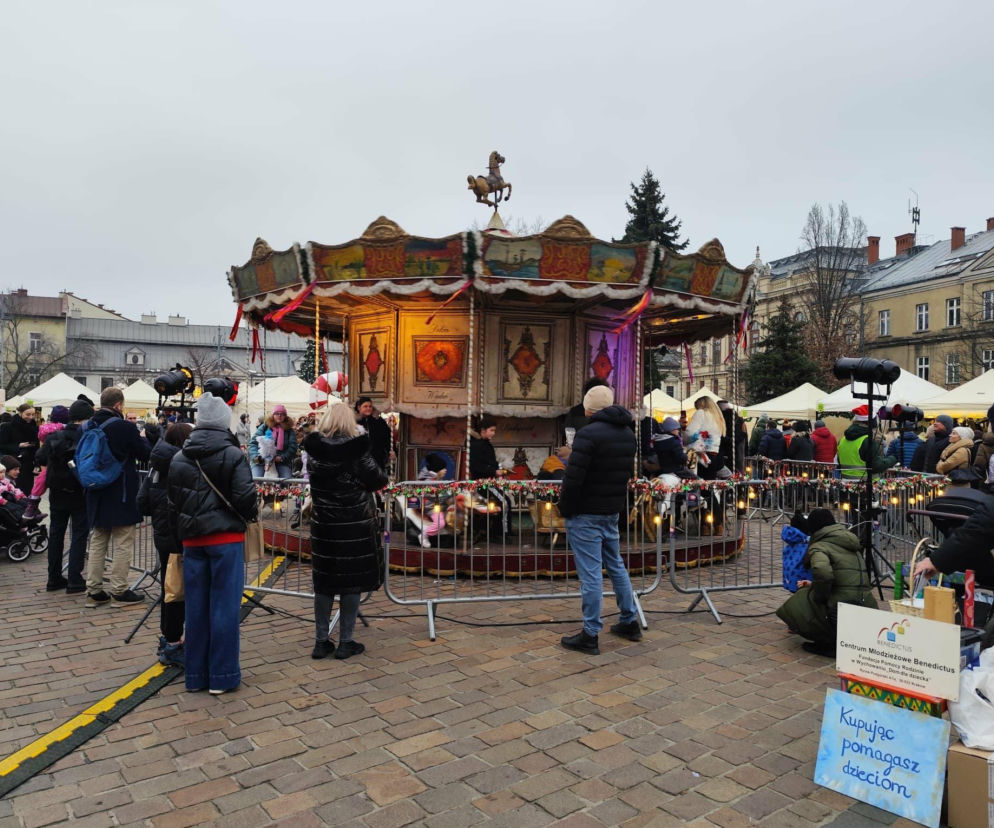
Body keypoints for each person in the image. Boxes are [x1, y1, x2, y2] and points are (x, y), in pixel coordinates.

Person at [167, 394, 257, 694]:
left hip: (193, 539)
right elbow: (246, 497)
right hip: (225, 537)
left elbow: (173, 500)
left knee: (196, 607)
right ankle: (222, 675)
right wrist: (246, 516)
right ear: (223, 422)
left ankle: (196, 675)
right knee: (224, 608)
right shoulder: (233, 455)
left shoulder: (179, 457)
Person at [557, 384, 641, 655]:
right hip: (610, 510)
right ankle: (629, 620)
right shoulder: (629, 434)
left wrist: (565, 508)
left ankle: (590, 634)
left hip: (586, 512)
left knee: (591, 574)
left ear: (588, 408)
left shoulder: (587, 434)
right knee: (616, 565)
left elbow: (574, 477)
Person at [303, 401, 388, 660]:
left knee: (325, 582)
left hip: (325, 522)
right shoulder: (356, 449)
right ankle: (346, 641)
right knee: (351, 582)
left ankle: (321, 641)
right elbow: (377, 479)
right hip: (354, 521)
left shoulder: (314, 451)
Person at [776, 508, 877, 656]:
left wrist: (818, 596)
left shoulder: (820, 546)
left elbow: (824, 574)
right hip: (865, 601)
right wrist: (812, 584)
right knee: (812, 588)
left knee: (799, 601)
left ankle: (828, 641)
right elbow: (844, 577)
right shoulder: (849, 540)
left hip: (841, 605)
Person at [85, 387, 151, 608]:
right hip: (120, 490)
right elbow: (145, 454)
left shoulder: (87, 425)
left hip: (95, 490)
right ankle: (119, 591)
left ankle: (93, 591)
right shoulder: (124, 427)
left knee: (98, 540)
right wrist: (144, 438)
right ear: (118, 405)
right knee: (123, 541)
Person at [138, 422, 192, 667]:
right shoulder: (180, 464)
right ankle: (172, 643)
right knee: (177, 592)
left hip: (162, 534)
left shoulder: (155, 464)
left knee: (169, 589)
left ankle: (169, 639)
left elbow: (142, 502)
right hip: (177, 535)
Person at [37, 399, 93, 594]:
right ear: (87, 418)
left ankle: (53, 577)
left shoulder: (54, 436)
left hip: (57, 490)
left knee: (56, 533)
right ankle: (75, 579)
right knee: (79, 534)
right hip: (78, 490)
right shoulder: (86, 436)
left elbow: (40, 457)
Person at [469, 414, 510, 533]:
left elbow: (489, 462)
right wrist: (494, 471)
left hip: (487, 481)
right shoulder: (477, 446)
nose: (493, 433)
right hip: (483, 482)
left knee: (503, 501)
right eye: (491, 430)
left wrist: (499, 469)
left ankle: (496, 530)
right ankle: (503, 531)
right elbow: (476, 467)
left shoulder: (485, 445)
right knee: (504, 502)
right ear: (483, 430)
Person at [836, 405, 897, 478]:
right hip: (867, 486)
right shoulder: (868, 442)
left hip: (846, 485)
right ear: (872, 422)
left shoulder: (842, 441)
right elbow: (876, 467)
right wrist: (893, 459)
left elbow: (839, 464)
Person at [0, 404, 40, 495]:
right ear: (20, 413)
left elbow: (36, 447)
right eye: (28, 414)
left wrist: (37, 463)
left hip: (28, 465)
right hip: (12, 465)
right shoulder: (8, 427)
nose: (30, 417)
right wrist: (18, 445)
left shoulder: (34, 427)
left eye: (33, 414)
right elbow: (1, 445)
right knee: (13, 492)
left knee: (26, 492)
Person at [249, 404, 298, 478]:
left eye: (282, 414)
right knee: (256, 480)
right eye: (277, 414)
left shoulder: (289, 430)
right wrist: (256, 457)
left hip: (281, 462)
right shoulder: (265, 426)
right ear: (273, 415)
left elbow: (293, 447)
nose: (279, 416)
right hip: (261, 460)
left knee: (286, 482)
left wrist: (282, 458)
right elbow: (253, 443)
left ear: (285, 416)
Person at [685, 397, 726, 477]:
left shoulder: (701, 413)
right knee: (709, 483)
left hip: (701, 455)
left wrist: (685, 439)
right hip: (714, 455)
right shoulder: (717, 417)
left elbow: (689, 432)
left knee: (697, 483)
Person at [354, 397, 393, 473]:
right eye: (365, 406)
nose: (368, 408)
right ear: (359, 408)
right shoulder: (353, 422)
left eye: (370, 406)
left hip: (377, 457)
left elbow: (388, 437)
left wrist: (392, 450)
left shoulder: (378, 421)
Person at [717, 400, 746, 473]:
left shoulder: (723, 419)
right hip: (738, 455)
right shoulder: (740, 420)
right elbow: (743, 437)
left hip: (727, 454)